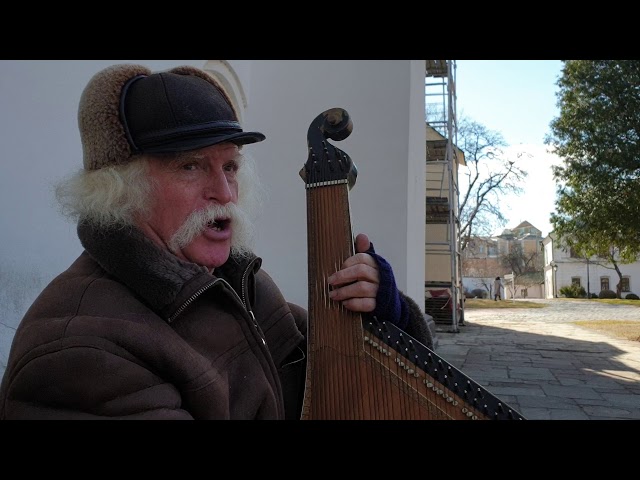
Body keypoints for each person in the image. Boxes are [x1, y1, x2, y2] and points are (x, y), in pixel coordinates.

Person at [0, 64, 433, 420]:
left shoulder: (239, 281)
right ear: (119, 192)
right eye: (190, 167)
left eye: (230, 166)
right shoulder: (78, 351)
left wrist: (384, 312)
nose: (224, 193)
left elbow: (344, 374)